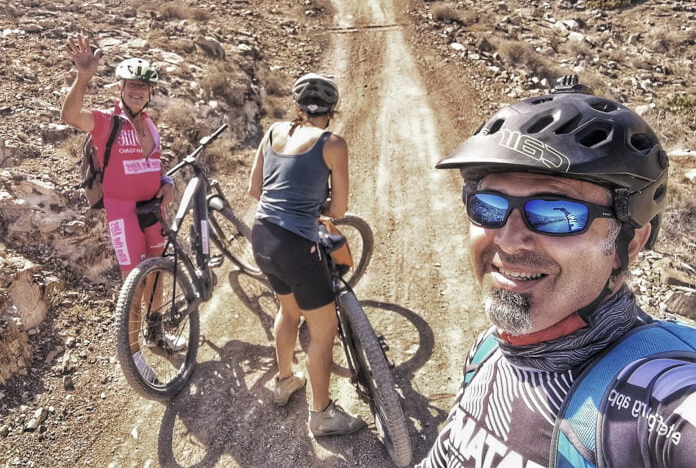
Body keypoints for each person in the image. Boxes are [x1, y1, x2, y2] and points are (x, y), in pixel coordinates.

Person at [417, 78, 696, 468]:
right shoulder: (491, 350)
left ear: (629, 245)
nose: (510, 241)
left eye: (555, 214)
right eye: (489, 206)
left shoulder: (652, 396)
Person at [249, 73, 366, 437]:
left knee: (288, 311)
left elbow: (256, 190)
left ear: (296, 107)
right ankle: (322, 414)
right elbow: (339, 209)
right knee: (323, 330)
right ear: (331, 110)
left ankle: (284, 382)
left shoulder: (273, 133)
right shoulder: (333, 144)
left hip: (262, 237)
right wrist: (314, 206)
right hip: (297, 245)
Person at [61, 34, 174, 378]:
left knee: (156, 275)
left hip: (154, 209)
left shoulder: (150, 123)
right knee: (134, 285)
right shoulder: (106, 122)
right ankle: (135, 355)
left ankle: (156, 333)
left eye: (143, 85)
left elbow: (153, 163)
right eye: (131, 85)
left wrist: (166, 183)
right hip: (123, 212)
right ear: (121, 88)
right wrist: (83, 76)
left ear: (150, 91)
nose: (137, 90)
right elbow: (69, 116)